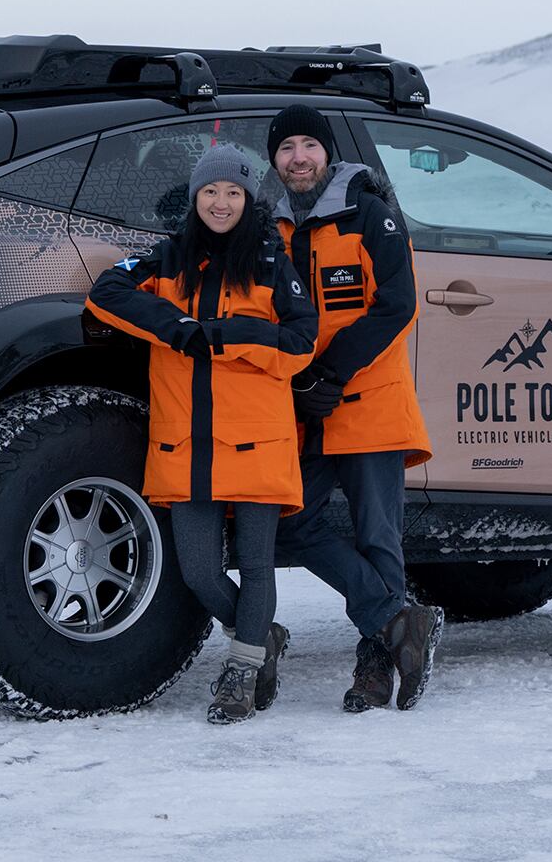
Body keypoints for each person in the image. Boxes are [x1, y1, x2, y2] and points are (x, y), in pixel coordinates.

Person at [85, 145, 317, 724]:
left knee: (256, 565)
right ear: (195, 197)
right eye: (211, 192)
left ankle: (241, 671)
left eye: (234, 193)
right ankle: (259, 633)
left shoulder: (270, 261)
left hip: (257, 438)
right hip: (184, 442)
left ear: (247, 200)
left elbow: (301, 340)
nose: (221, 202)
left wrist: (229, 334)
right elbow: (106, 293)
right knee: (199, 571)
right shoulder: (167, 257)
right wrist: (178, 328)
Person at [265, 103, 443, 713]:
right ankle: (396, 619)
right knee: (293, 521)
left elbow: (397, 306)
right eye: (286, 148)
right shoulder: (271, 232)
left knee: (377, 538)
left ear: (326, 154)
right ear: (275, 161)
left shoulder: (371, 216)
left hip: (366, 403)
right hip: (302, 410)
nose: (297, 158)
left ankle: (376, 669)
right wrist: (298, 381)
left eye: (307, 146)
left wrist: (331, 371)